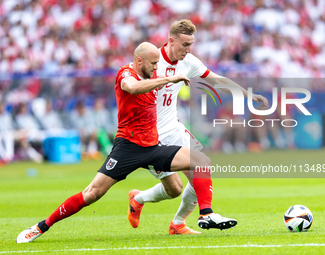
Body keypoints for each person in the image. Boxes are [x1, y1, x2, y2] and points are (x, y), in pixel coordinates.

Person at [16, 42, 235, 243]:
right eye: (153, 63)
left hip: (153, 146)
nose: (156, 67)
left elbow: (186, 75)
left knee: (199, 161)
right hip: (127, 148)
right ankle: (41, 227)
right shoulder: (126, 73)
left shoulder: (154, 73)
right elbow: (132, 87)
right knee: (92, 193)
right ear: (139, 61)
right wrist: (169, 79)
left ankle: (205, 214)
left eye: (158, 63)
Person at [128, 20, 268, 234]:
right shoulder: (151, 60)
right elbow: (130, 88)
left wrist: (248, 95)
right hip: (151, 138)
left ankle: (181, 223)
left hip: (174, 129)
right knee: (174, 189)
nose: (188, 49)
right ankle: (138, 199)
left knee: (201, 170)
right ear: (171, 41)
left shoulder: (189, 61)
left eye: (191, 44)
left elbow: (216, 80)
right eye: (184, 44)